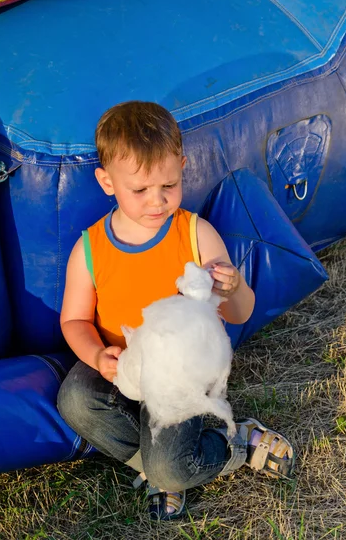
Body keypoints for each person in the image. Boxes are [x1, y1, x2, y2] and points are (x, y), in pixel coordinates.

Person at [57, 101, 295, 521]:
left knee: (171, 463)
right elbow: (73, 320)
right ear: (107, 182)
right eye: (141, 190)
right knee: (74, 400)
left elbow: (241, 313)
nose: (157, 201)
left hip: (182, 377)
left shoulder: (195, 234)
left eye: (169, 185)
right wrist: (96, 356)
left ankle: (232, 444)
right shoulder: (90, 249)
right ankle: (162, 470)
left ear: (183, 166)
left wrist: (234, 287)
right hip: (122, 367)